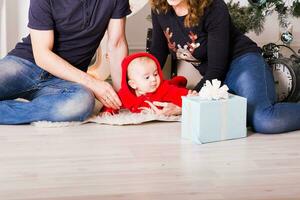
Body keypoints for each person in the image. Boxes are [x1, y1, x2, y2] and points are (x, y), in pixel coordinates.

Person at [149, 0, 300, 133]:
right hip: (216, 81)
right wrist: (136, 83)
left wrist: (185, 103)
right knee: (237, 118)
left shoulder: (213, 7)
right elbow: (158, 53)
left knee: (263, 120)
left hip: (242, 64)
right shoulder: (159, 8)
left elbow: (216, 69)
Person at [0, 0, 131, 124]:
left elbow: (117, 44)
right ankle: (38, 108)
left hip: (67, 80)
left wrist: (122, 96)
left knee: (80, 103)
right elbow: (42, 55)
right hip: (24, 65)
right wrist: (93, 83)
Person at [102, 52, 197, 115]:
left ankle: (177, 81)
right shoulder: (126, 95)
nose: (153, 79)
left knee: (172, 86)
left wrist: (190, 96)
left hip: (169, 88)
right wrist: (108, 111)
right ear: (133, 84)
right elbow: (113, 102)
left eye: (155, 74)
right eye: (147, 77)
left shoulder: (163, 89)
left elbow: (179, 94)